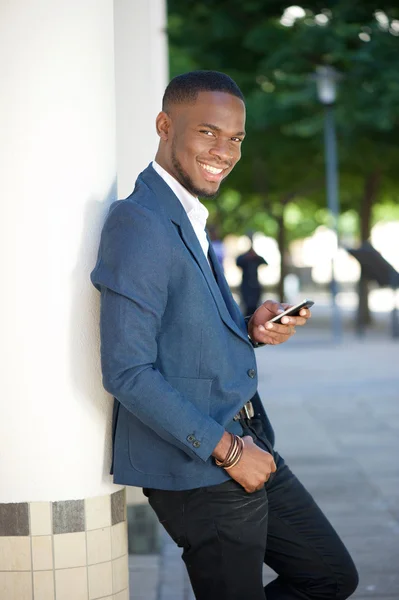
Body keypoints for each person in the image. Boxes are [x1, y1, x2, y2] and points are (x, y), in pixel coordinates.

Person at [91, 71, 358, 600]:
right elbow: (127, 369)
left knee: (330, 576)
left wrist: (251, 330)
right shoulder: (140, 221)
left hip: (248, 443)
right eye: (208, 132)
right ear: (165, 126)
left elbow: (185, 332)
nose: (225, 150)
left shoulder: (188, 215)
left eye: (235, 138)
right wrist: (229, 451)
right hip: (205, 464)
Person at [236, 236, 267, 315]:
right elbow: (238, 263)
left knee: (255, 306)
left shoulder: (256, 258)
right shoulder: (243, 258)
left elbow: (264, 262)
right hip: (246, 284)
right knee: (247, 306)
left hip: (255, 284)